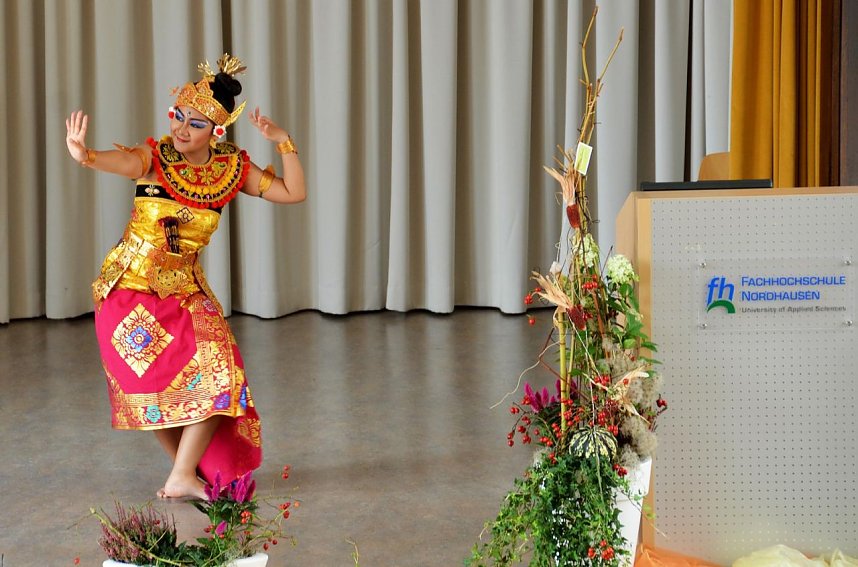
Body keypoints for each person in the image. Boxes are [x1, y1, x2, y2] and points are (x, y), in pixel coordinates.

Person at [64, 54, 305, 499]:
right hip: (128, 291)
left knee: (223, 377)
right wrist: (87, 155)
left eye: (194, 124)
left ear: (216, 131)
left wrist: (284, 141)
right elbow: (123, 162)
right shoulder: (154, 158)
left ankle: (182, 475)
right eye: (178, 115)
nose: (180, 128)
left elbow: (294, 193)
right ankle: (185, 475)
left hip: (186, 291)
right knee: (153, 389)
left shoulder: (231, 170)